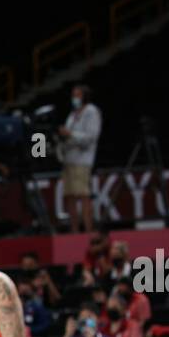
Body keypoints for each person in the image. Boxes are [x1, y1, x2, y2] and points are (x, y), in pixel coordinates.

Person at [58, 84, 102, 233]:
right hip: (69, 160)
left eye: (77, 95)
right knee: (70, 196)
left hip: (82, 161)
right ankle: (75, 231)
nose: (74, 98)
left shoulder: (91, 112)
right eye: (73, 95)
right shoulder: (72, 114)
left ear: (84, 97)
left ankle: (88, 231)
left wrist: (70, 134)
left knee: (83, 196)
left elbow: (91, 137)